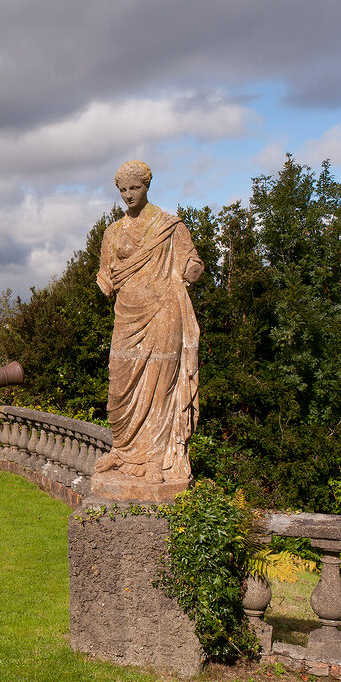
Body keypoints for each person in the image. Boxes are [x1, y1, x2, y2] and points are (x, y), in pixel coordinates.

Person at [91, 160, 204, 501]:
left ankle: (156, 459)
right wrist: (104, 280)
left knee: (159, 389)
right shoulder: (112, 232)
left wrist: (192, 268)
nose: (128, 195)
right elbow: (106, 275)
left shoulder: (169, 226)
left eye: (134, 188)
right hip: (126, 317)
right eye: (123, 190)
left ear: (147, 186)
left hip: (163, 314)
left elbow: (192, 261)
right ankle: (123, 450)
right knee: (120, 382)